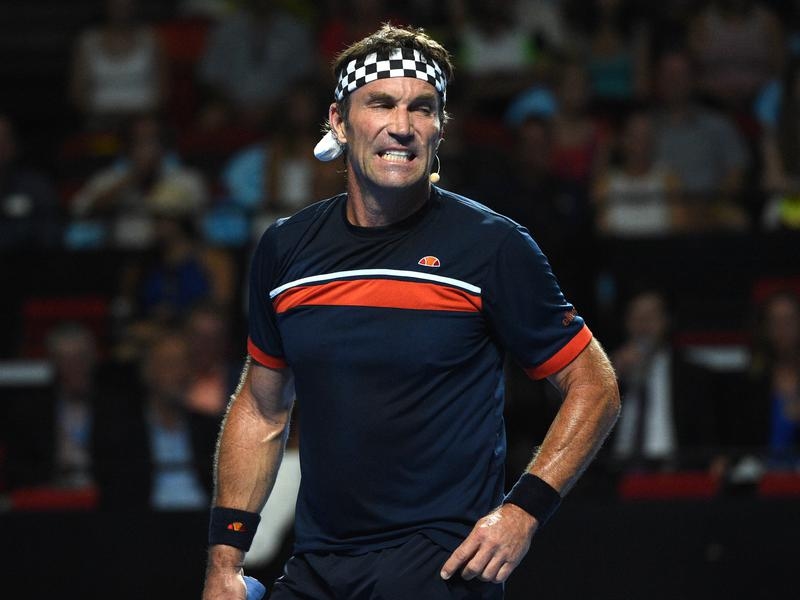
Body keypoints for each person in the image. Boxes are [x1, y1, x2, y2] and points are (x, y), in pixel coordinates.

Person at [201, 24, 620, 600]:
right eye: (381, 103)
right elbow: (261, 408)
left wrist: (523, 511)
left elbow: (594, 384)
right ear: (339, 122)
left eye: (422, 108)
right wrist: (225, 563)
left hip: (442, 568)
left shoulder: (493, 246)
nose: (402, 125)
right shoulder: (285, 249)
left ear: (440, 127)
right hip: (317, 564)